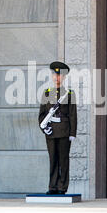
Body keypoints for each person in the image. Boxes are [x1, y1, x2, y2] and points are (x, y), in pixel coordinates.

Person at [38, 61, 77, 194]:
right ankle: (52, 186)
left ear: (64, 77)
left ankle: (62, 187)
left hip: (64, 131)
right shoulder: (46, 93)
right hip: (51, 132)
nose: (56, 77)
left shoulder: (69, 94)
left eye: (59, 75)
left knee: (63, 160)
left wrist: (72, 133)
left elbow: (73, 115)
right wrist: (43, 128)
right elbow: (42, 114)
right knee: (53, 160)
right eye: (54, 75)